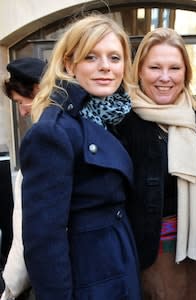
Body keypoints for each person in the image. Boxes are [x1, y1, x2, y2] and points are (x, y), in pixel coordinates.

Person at [19, 14, 141, 299]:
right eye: (91, 57)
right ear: (68, 64)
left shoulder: (110, 116)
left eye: (114, 58)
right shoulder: (53, 132)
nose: (105, 68)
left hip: (118, 268)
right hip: (89, 281)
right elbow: (43, 242)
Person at [115, 27, 196, 300]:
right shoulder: (123, 121)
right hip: (154, 255)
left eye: (174, 68)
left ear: (186, 72)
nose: (165, 77)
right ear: (139, 71)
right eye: (155, 67)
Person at [1, 57, 45, 300]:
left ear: (38, 90)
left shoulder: (42, 140)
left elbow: (26, 229)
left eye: (21, 101)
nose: (22, 111)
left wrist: (10, 289)